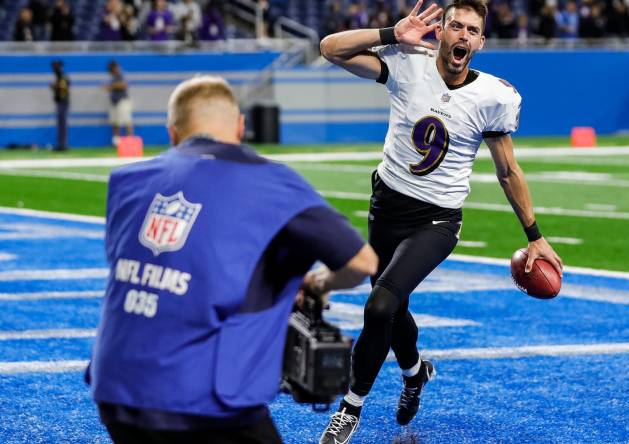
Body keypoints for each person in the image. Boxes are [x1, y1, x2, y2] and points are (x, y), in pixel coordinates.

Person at [318, 1, 563, 442]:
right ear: (442, 32)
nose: (463, 36)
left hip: (437, 220)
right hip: (387, 206)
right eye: (456, 26)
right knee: (393, 308)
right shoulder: (409, 63)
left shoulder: (493, 96)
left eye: (472, 30)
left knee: (379, 307)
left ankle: (349, 410)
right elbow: (330, 48)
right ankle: (414, 374)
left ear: (480, 42)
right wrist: (391, 33)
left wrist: (536, 236)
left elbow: (508, 170)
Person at [87, 75, 379, 444]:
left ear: (173, 133)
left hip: (115, 387)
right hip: (203, 402)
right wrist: (312, 284)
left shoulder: (127, 181)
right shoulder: (271, 182)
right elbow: (361, 262)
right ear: (241, 127)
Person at [105, 60, 134, 145]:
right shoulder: (113, 77)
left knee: (127, 121)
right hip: (114, 102)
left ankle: (130, 142)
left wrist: (111, 86)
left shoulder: (121, 75)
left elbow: (124, 85)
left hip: (122, 101)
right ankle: (116, 143)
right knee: (115, 123)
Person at [50, 60, 70, 151]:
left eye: (56, 66)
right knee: (61, 124)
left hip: (63, 102)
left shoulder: (62, 77)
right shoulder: (59, 77)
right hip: (60, 102)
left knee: (62, 124)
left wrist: (55, 86)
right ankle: (61, 144)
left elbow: (63, 88)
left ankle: (63, 145)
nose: (54, 68)